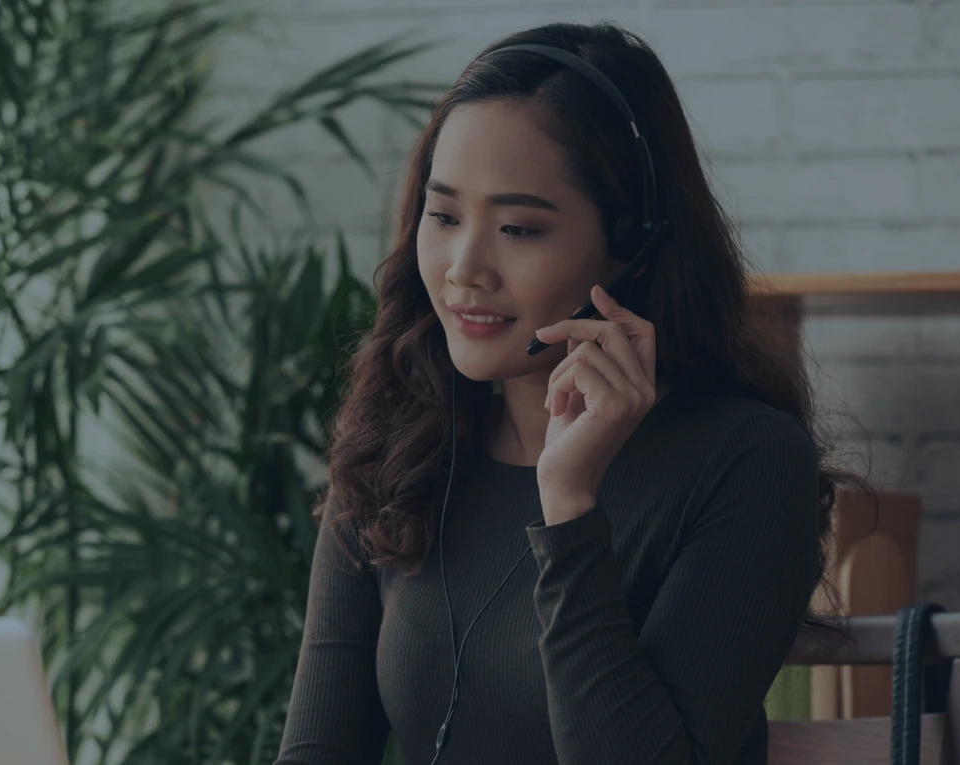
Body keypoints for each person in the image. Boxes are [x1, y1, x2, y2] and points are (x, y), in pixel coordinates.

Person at [274, 20, 858, 765]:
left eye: (518, 227)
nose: (464, 267)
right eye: (445, 215)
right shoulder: (398, 444)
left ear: (633, 243)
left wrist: (570, 505)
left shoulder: (747, 460)